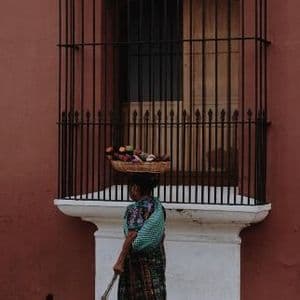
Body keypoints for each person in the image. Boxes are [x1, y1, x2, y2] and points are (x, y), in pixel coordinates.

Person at [113, 173, 166, 300]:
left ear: (135, 188)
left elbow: (132, 235)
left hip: (138, 264)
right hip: (156, 259)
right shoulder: (157, 206)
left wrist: (120, 261)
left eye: (130, 188)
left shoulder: (137, 209)